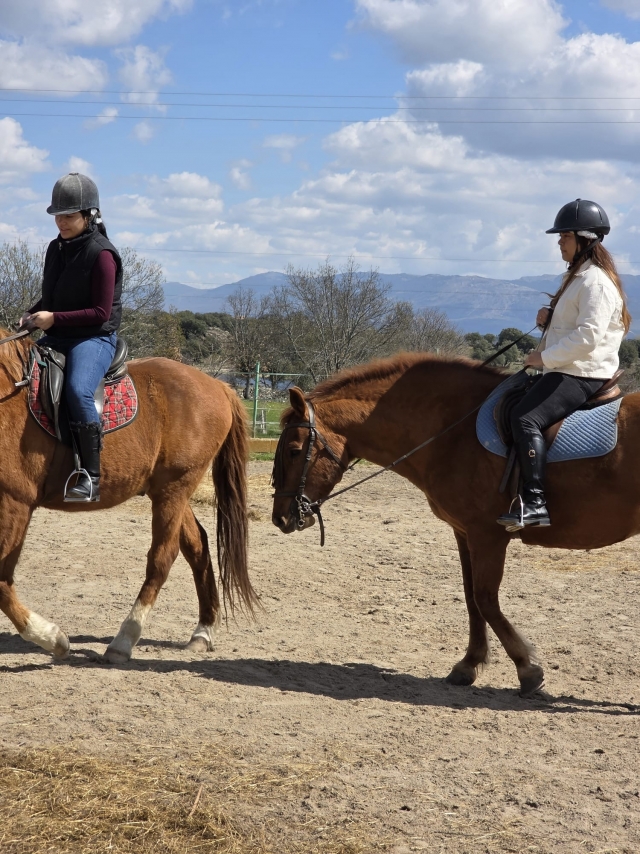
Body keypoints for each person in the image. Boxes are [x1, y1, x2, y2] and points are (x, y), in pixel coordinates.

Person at [496, 199, 631, 531]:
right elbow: (574, 324)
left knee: (525, 417)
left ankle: (536, 503)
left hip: (582, 373)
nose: (559, 242)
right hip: (569, 367)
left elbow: (588, 337)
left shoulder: (595, 282)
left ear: (584, 238)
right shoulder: (577, 278)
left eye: (564, 236)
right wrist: (549, 317)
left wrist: (543, 358)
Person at [21, 172, 123, 502]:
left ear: (89, 215)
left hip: (94, 338)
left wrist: (52, 319)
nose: (61, 222)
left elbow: (100, 313)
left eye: (68, 215)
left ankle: (90, 477)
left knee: (78, 390)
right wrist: (33, 316)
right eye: (57, 216)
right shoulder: (55, 249)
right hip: (58, 335)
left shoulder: (103, 255)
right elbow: (51, 299)